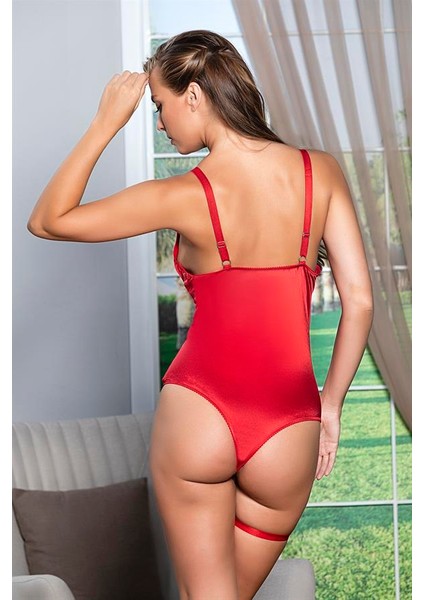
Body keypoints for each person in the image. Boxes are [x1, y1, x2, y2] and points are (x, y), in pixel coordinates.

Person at [28, 29, 373, 600]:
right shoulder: (321, 172)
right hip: (291, 425)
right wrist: (330, 406)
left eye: (159, 105)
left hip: (202, 412)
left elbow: (48, 220)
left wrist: (105, 124)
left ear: (194, 96)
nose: (159, 123)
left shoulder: (185, 194)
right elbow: (359, 300)